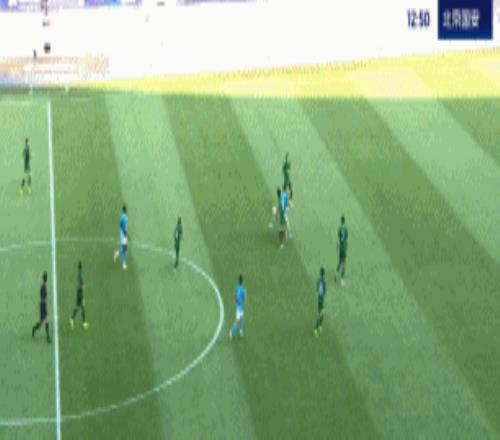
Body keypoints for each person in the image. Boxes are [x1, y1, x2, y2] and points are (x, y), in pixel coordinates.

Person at [32, 271, 51, 343]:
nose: (46, 280)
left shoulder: (44, 286)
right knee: (45, 320)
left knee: (43, 321)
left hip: (43, 305)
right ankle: (47, 336)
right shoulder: (43, 287)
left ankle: (35, 328)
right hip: (43, 306)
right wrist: (45, 302)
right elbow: (42, 299)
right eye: (46, 278)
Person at [70, 261, 89, 330]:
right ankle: (84, 323)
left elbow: (77, 284)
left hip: (78, 293)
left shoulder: (78, 274)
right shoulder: (80, 275)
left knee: (77, 307)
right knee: (82, 307)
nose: (83, 267)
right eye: (83, 266)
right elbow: (80, 285)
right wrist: (83, 287)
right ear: (81, 268)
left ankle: (72, 319)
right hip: (80, 293)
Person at [229, 275, 246, 340]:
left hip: (238, 307)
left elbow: (234, 295)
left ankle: (241, 331)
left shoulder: (237, 287)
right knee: (237, 321)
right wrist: (241, 300)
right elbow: (244, 298)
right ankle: (231, 331)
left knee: (241, 319)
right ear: (242, 282)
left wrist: (236, 300)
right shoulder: (243, 290)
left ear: (238, 281)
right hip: (239, 308)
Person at [114, 205, 128, 270]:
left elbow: (120, 225)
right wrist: (125, 235)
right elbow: (124, 227)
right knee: (125, 249)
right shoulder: (125, 217)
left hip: (121, 233)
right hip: (123, 234)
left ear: (122, 210)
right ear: (126, 210)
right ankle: (123, 264)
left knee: (125, 249)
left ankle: (117, 253)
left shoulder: (122, 216)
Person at [335, 215, 348, 286]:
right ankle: (342, 280)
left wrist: (337, 248)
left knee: (340, 262)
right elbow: (347, 239)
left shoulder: (340, 229)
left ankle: (336, 274)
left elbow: (338, 240)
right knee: (344, 264)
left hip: (340, 248)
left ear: (341, 221)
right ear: (344, 221)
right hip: (344, 248)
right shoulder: (345, 229)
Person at [314, 267, 327, 337]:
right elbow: (324, 292)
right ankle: (316, 328)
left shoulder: (318, 280)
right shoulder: (324, 282)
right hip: (321, 300)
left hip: (319, 299)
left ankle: (320, 326)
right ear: (324, 273)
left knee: (322, 313)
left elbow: (317, 289)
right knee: (321, 314)